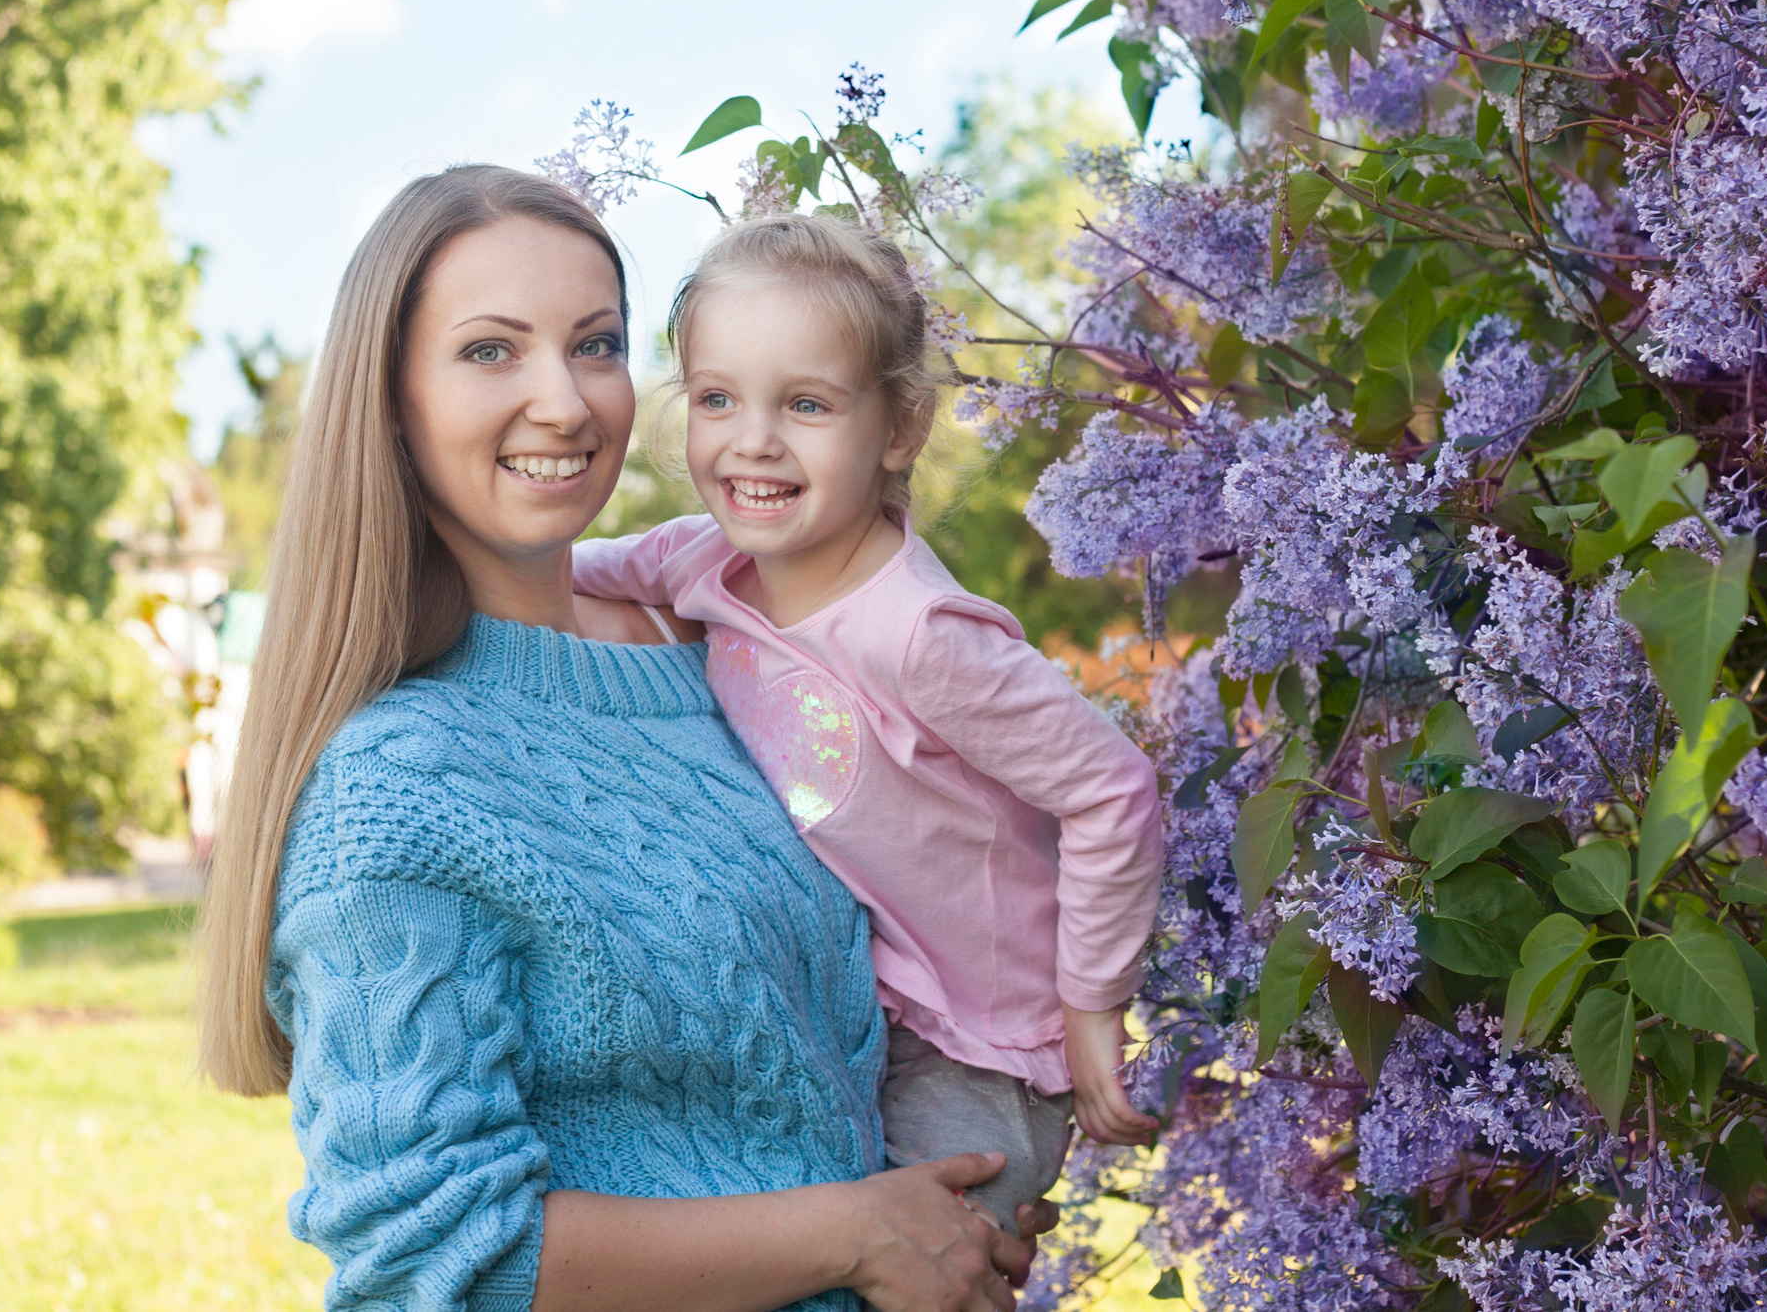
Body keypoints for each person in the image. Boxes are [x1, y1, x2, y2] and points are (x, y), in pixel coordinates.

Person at [196, 167, 1042, 1312]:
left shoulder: (723, 633)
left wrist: (969, 1180)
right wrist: (858, 1235)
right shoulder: (392, 790)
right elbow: (434, 1251)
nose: (564, 402)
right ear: (391, 400)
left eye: (595, 345)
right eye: (490, 351)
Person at [571, 214, 1166, 1235]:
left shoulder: (920, 636)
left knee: (923, 1261)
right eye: (716, 398)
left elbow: (1112, 789)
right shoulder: (699, 559)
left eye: (806, 403)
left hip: (980, 1039)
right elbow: (547, 574)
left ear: (898, 428)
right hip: (850, 1000)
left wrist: (1090, 1004)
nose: (753, 440)